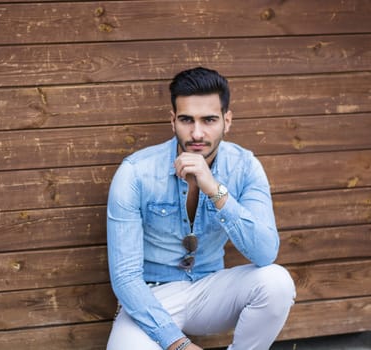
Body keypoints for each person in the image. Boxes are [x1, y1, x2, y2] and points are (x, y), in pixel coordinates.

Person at [106, 67, 296, 350]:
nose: (197, 133)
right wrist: (179, 345)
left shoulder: (245, 167)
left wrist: (215, 189)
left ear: (226, 121)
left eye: (209, 120)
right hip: (154, 297)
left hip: (212, 291)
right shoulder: (136, 172)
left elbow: (265, 252)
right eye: (186, 120)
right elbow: (125, 277)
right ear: (173, 121)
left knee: (277, 282)